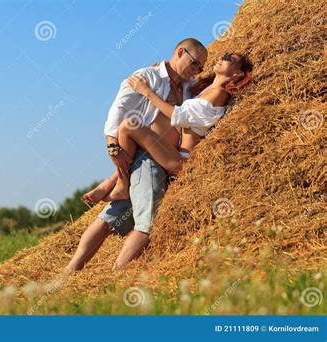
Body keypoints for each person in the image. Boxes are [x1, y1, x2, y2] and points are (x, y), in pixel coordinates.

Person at [66, 38, 207, 271]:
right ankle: (115, 276)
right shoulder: (147, 77)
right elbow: (118, 112)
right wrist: (114, 148)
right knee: (147, 223)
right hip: (147, 161)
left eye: (200, 68)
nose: (197, 71)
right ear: (180, 52)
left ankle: (71, 271)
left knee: (110, 218)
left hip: (160, 161)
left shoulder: (185, 87)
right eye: (195, 64)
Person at [105, 52, 253, 200]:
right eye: (223, 55)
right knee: (131, 132)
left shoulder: (219, 94)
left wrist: (147, 91)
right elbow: (182, 82)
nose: (221, 57)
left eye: (228, 58)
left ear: (237, 73)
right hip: (173, 153)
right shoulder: (205, 89)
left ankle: (122, 184)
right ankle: (113, 184)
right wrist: (161, 72)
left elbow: (179, 115)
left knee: (128, 125)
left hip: (182, 161)